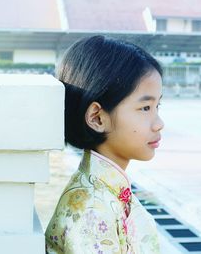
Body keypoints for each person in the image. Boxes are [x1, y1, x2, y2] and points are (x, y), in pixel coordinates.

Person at [45, 35, 164, 253]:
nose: (159, 124)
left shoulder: (103, 191)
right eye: (145, 108)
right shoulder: (92, 210)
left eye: (158, 106)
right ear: (97, 118)